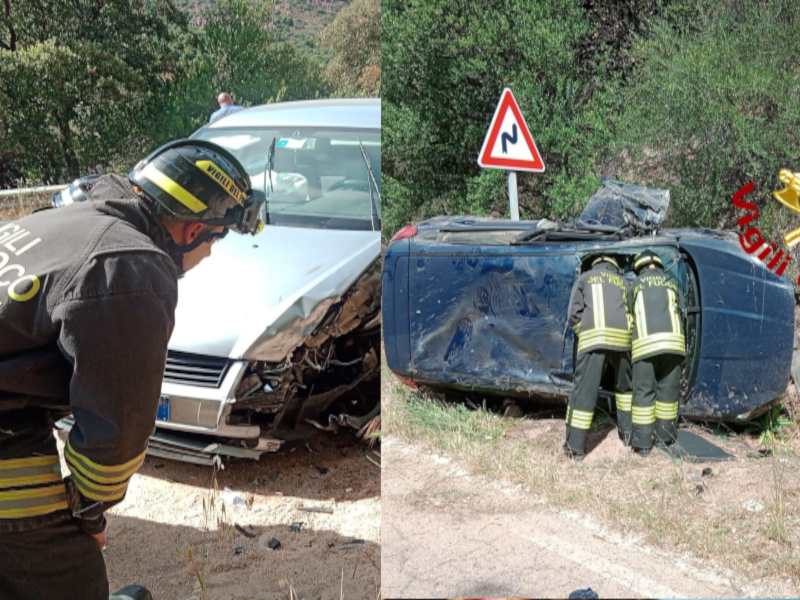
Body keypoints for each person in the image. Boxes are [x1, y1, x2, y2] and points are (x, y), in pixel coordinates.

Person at [0, 139, 264, 600]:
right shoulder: (130, 265)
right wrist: (88, 516)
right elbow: (116, 433)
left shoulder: (62, 220)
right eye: (215, 241)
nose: (209, 255)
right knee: (65, 575)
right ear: (194, 230)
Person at [564, 255, 633, 460]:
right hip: (622, 342)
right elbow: (630, 313)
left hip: (594, 340)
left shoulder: (585, 278)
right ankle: (628, 436)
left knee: (584, 392)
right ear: (614, 265)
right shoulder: (624, 282)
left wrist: (583, 332)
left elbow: (573, 315)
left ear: (596, 263)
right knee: (626, 390)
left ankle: (575, 448)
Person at [629, 249, 686, 456]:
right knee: (668, 395)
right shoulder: (672, 283)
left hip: (645, 347)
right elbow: (682, 311)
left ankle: (643, 445)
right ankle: (665, 440)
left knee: (644, 394)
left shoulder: (635, 285)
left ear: (639, 267)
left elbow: (629, 315)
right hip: (674, 347)